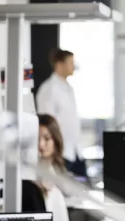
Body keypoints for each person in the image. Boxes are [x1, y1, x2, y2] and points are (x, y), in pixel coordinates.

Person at [36, 48, 87, 177]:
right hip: (61, 152)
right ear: (59, 65)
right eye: (70, 62)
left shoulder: (68, 88)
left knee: (83, 189)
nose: (73, 66)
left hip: (74, 150)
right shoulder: (49, 89)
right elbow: (46, 123)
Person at [37, 114, 71, 221]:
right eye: (36, 139)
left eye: (47, 138)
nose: (41, 145)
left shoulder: (55, 171)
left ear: (56, 141)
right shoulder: (30, 176)